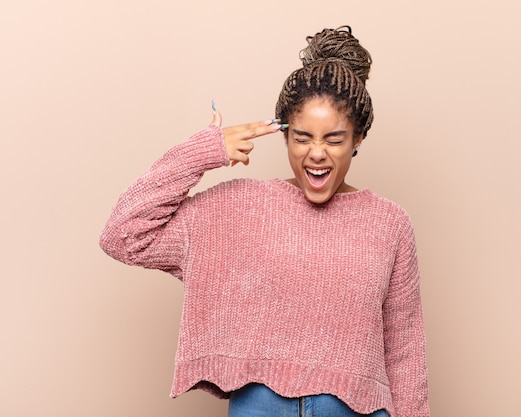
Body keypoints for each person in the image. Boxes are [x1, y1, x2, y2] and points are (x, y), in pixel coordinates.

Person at [100, 26, 429, 417]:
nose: (317, 153)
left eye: (334, 139)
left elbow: (405, 349)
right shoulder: (239, 208)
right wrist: (205, 151)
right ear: (286, 137)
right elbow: (124, 234)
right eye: (303, 137)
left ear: (358, 139)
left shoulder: (389, 224)